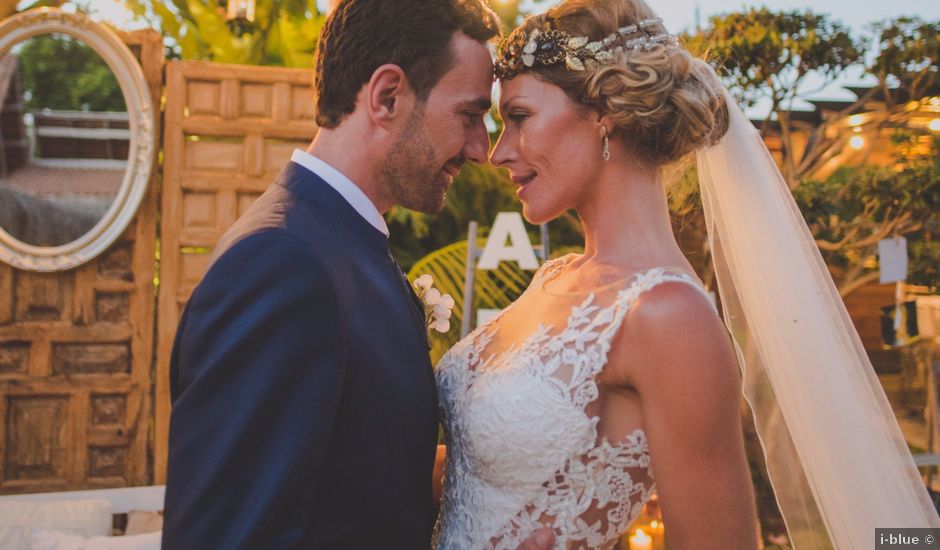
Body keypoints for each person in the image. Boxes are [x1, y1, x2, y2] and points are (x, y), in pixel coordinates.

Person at [433, 0, 939, 548]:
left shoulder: (669, 318)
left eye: (520, 118)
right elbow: (480, 479)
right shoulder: (555, 277)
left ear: (608, 112)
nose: (498, 152)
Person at [162, 1, 555, 548]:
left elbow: (356, 485)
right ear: (387, 95)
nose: (478, 149)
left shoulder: (344, 245)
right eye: (469, 115)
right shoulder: (279, 266)